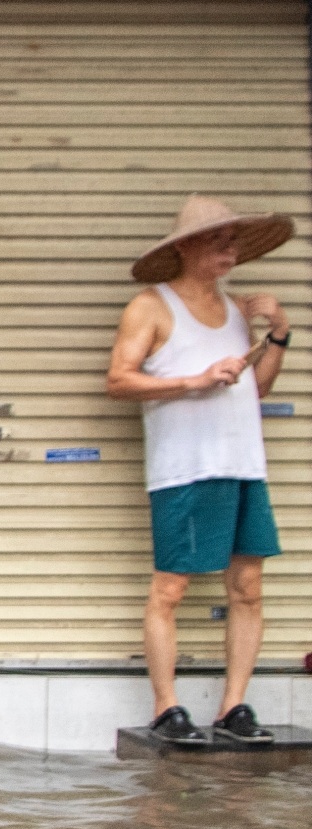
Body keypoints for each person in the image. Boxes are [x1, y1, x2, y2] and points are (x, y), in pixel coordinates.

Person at [107, 195, 292, 746]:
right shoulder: (152, 306)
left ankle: (234, 705)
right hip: (185, 470)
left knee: (249, 587)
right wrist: (193, 380)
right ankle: (167, 707)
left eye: (233, 243)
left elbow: (254, 390)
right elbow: (119, 379)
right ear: (185, 247)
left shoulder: (238, 310)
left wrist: (277, 332)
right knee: (171, 588)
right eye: (219, 241)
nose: (230, 252)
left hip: (242, 465)